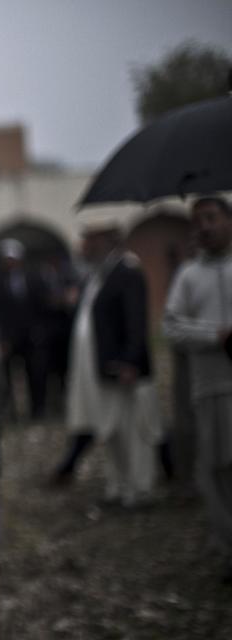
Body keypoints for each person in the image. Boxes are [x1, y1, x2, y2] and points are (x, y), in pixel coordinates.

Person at [61, 220, 158, 507]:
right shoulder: (99, 274)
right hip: (101, 370)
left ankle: (139, 489)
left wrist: (130, 361)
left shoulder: (127, 271)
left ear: (108, 239)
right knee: (110, 430)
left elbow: (136, 321)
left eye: (90, 239)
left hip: (123, 369)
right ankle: (119, 485)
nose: (84, 246)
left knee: (132, 432)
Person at [163, 195, 232, 582]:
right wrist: (214, 336)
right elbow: (171, 326)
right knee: (219, 468)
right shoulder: (188, 275)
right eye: (198, 220)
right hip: (210, 388)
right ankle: (227, 546)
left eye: (212, 217)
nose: (204, 226)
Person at [0, 238, 50, 421]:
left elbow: (43, 305)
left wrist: (41, 331)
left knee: (35, 373)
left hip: (32, 336)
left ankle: (37, 410)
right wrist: (2, 337)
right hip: (9, 337)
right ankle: (11, 412)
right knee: (7, 377)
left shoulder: (33, 278)